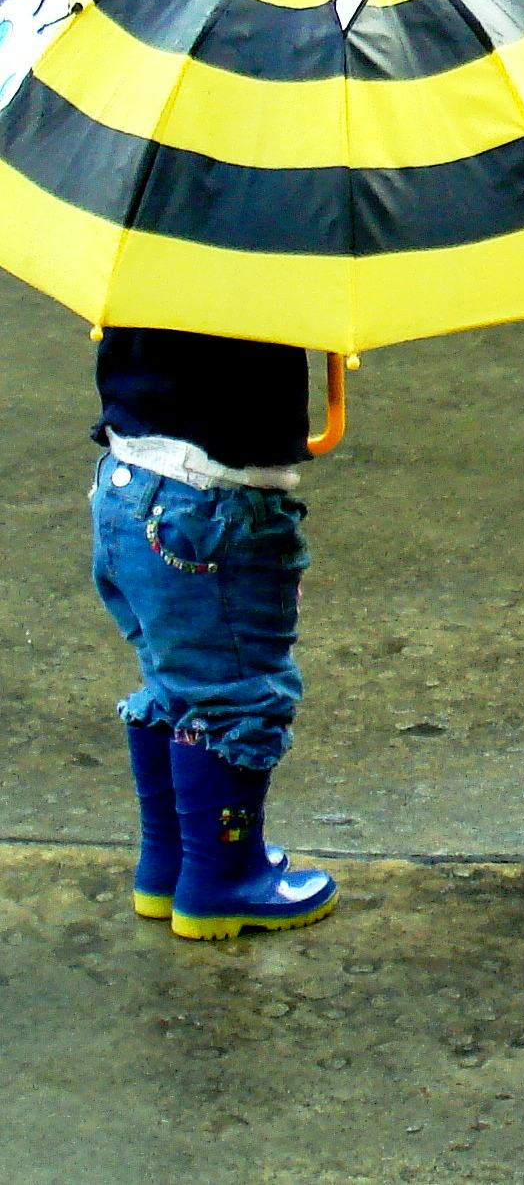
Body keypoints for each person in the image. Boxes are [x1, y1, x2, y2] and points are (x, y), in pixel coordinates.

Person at [93, 328, 339, 939]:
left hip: (126, 485)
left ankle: (171, 864)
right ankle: (222, 880)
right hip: (210, 505)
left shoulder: (152, 242)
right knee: (236, 691)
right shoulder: (261, 252)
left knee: (174, 678)